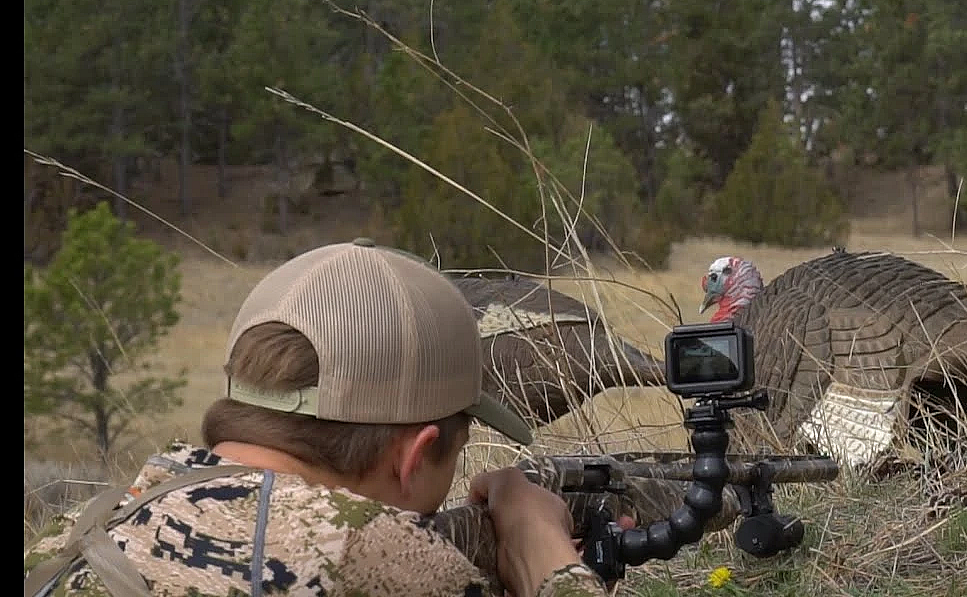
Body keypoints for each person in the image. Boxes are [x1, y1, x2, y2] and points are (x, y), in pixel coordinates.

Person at [24, 238, 613, 597]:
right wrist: (545, 556)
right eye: (454, 456)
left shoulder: (84, 527)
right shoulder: (372, 551)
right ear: (413, 455)